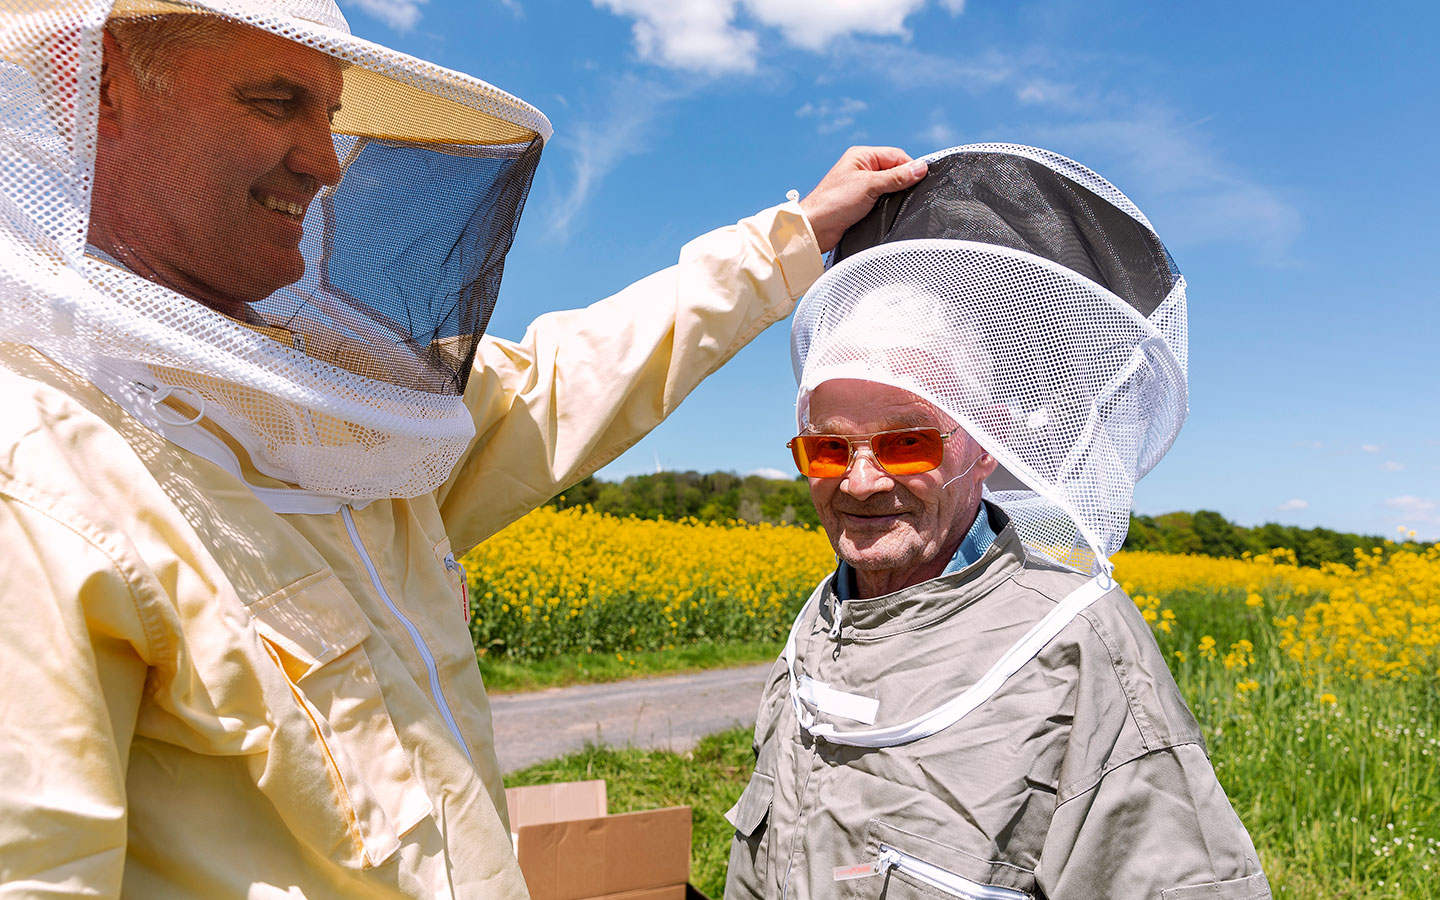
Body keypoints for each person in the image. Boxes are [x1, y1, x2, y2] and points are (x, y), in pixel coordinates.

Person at [0, 2, 926, 897]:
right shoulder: (39, 472)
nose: (325, 161)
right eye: (275, 101)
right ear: (101, 84)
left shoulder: (339, 407)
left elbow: (566, 383)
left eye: (328, 114)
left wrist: (794, 238)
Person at [724, 144, 1271, 899]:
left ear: (986, 449)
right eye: (826, 449)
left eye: (904, 443)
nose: (859, 481)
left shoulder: (1079, 647)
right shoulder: (821, 622)